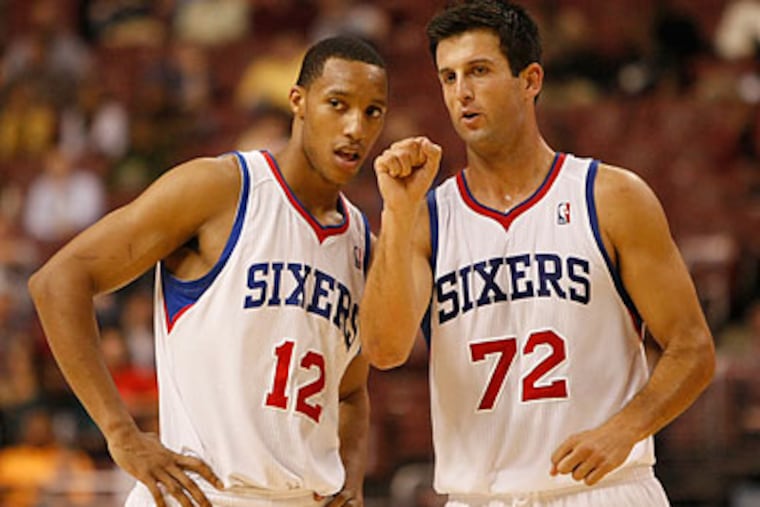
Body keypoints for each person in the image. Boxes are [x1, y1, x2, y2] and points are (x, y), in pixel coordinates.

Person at [360, 1, 716, 506]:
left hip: (603, 490)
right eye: (448, 77)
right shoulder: (425, 218)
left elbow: (693, 348)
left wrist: (625, 429)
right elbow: (384, 349)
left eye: (479, 71)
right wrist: (396, 214)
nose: (462, 92)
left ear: (530, 80)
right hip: (480, 496)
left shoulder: (609, 196)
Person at [28, 35, 388, 507]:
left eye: (372, 112)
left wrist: (353, 476)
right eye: (337, 104)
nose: (354, 128)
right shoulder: (222, 189)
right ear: (298, 102)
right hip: (201, 494)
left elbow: (350, 393)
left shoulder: (363, 245)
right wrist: (122, 434)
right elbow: (59, 281)